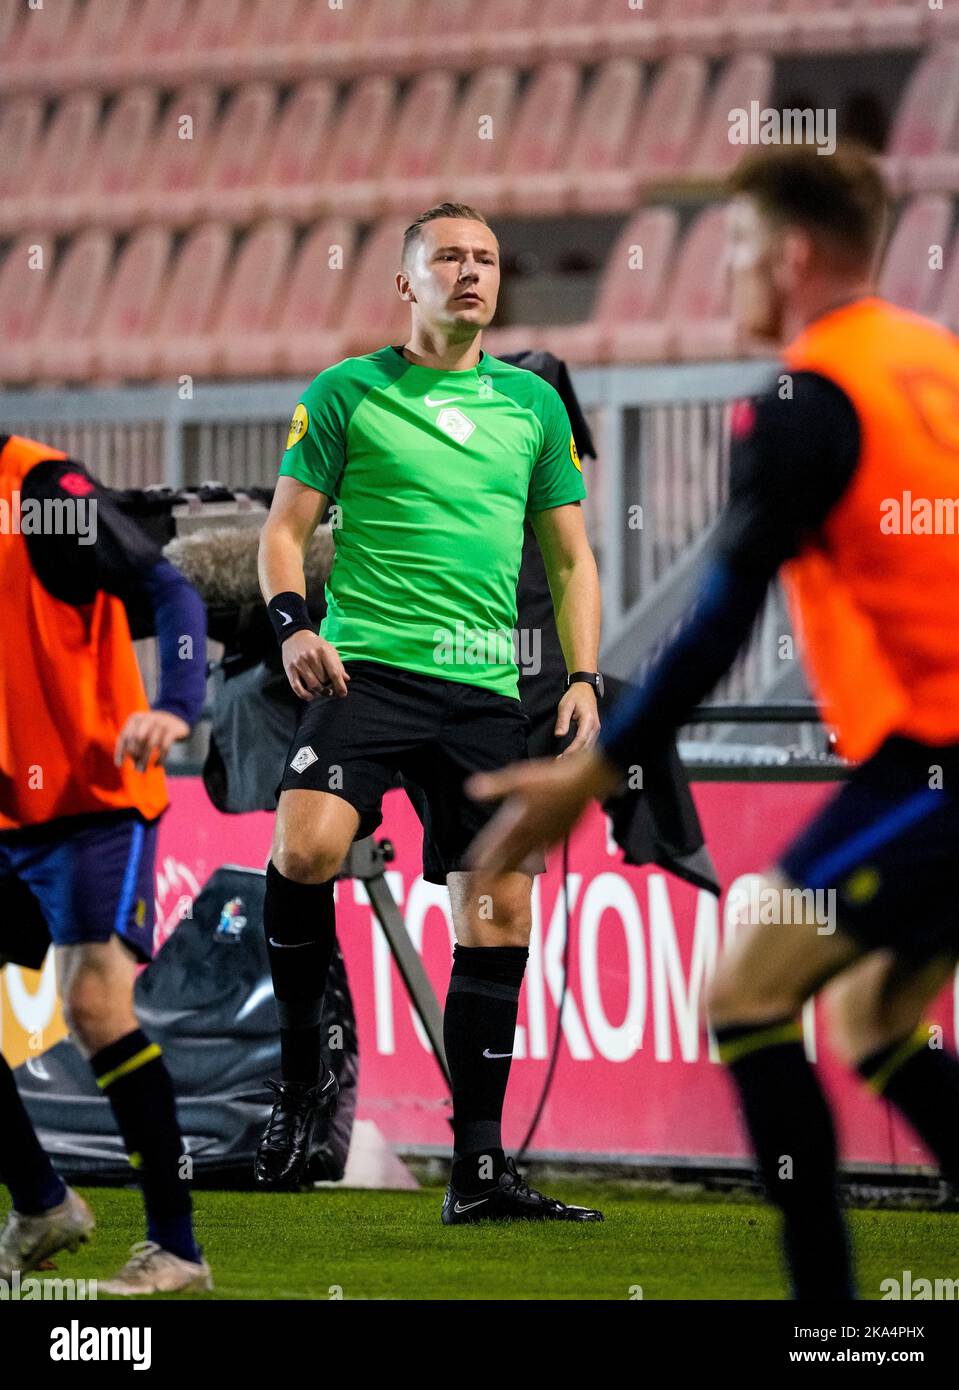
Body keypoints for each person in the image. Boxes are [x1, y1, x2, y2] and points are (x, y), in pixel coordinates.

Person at [466, 144, 959, 1295]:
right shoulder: (934, 361)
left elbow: (713, 626)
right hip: (933, 755)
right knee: (867, 1014)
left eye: (737, 248)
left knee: (745, 988)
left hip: (945, 758)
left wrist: (590, 776)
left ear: (790, 255)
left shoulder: (805, 401)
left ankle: (827, 1318)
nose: (726, 275)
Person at [256, 202, 604, 1223]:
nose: (469, 273)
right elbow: (283, 533)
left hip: (483, 691)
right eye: (447, 257)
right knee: (305, 846)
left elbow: (573, 557)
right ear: (404, 283)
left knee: (497, 913)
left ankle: (480, 1167)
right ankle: (299, 1083)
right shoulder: (345, 394)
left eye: (484, 259)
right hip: (363, 671)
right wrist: (289, 624)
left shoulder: (532, 408)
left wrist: (581, 677)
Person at [0, 435, 212, 1294]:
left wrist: (176, 705)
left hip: (95, 803)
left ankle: (177, 1249)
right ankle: (43, 1204)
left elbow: (170, 588)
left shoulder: (43, 489)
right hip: (9, 809)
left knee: (93, 1005)